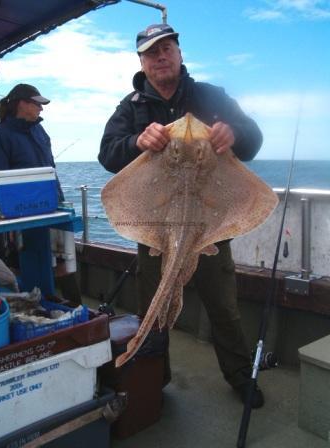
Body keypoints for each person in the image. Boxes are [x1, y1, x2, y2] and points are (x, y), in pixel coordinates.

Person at [98, 24, 264, 408]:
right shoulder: (132, 106)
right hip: (156, 231)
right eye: (152, 52)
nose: (160, 57)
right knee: (153, 308)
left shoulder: (210, 96)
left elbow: (253, 140)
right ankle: (158, 378)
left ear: (179, 54)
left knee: (224, 307)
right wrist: (136, 141)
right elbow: (108, 154)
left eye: (167, 48)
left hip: (208, 229)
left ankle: (240, 376)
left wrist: (234, 132)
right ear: (142, 61)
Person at [0, 83, 81, 304]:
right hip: (21, 214)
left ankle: (77, 307)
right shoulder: (0, 135)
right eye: (37, 104)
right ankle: (36, 301)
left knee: (65, 260)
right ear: (21, 104)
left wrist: (58, 198)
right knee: (30, 259)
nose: (41, 109)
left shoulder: (39, 130)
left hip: (53, 205)